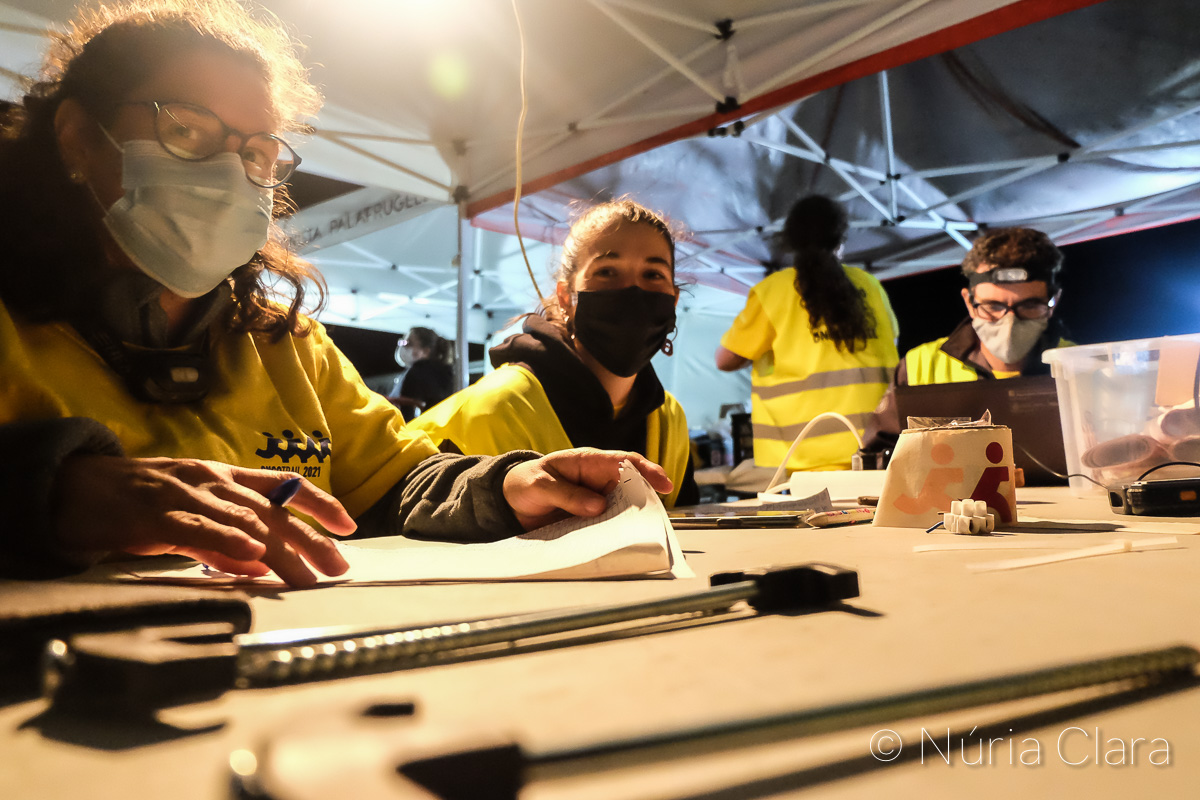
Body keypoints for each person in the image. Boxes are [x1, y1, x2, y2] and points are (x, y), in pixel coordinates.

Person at [0, 0, 671, 588]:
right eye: (185, 130)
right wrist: (53, 488)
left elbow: (398, 479)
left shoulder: (284, 342)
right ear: (77, 138)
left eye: (255, 154)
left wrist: (506, 485)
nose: (229, 174)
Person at [411, 199, 699, 507]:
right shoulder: (495, 408)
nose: (632, 291)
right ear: (565, 297)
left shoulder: (669, 418)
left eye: (653, 275)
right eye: (606, 272)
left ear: (673, 300)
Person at [715, 195, 899, 471]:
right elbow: (893, 343)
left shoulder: (773, 291)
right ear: (840, 239)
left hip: (804, 457)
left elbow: (725, 360)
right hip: (875, 449)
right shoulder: (870, 286)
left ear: (790, 240)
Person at [864, 226, 1069, 449]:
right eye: (993, 306)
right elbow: (878, 454)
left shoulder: (1077, 366)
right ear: (969, 302)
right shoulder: (919, 366)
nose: (1009, 321)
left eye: (1029, 305)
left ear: (1054, 302)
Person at [390, 326, 455, 421]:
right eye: (402, 342)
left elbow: (406, 414)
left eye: (408, 343)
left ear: (425, 351)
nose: (402, 346)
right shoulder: (445, 375)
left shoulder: (417, 374)